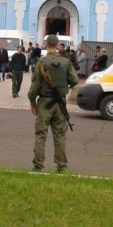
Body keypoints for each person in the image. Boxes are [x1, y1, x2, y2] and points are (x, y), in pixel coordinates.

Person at [28, 34, 79, 173]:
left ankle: (38, 166)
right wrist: (63, 85)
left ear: (45, 45)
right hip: (60, 103)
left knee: (40, 135)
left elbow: (35, 85)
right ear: (57, 45)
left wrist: (32, 101)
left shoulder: (41, 62)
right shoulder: (65, 62)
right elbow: (75, 81)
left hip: (44, 102)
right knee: (60, 135)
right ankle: (61, 166)